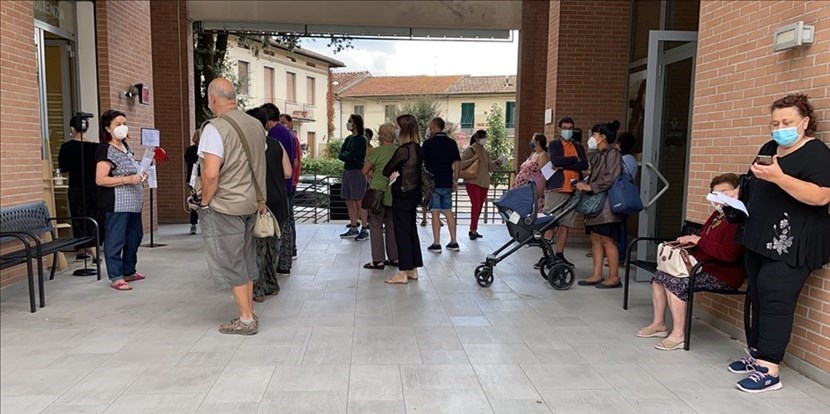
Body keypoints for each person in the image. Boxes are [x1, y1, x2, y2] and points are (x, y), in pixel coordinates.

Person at [729, 94, 830, 393]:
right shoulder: (770, 148)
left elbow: (822, 196)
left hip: (792, 244)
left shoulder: (818, 154)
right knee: (758, 297)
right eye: (775, 123)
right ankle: (757, 355)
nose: (779, 128)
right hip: (759, 238)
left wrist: (779, 177)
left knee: (776, 302)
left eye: (787, 122)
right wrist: (737, 194)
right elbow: (752, 179)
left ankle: (769, 370)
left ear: (805, 122)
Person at [636, 173, 746, 351]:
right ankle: (659, 324)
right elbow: (703, 240)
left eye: (725, 192)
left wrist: (698, 241)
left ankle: (679, 335)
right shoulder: (718, 215)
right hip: (704, 266)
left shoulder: (738, 220)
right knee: (659, 276)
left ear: (737, 192)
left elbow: (729, 254)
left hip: (723, 273)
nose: (719, 197)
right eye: (715, 193)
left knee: (675, 282)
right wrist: (689, 242)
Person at [196, 78, 267, 335]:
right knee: (246, 259)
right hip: (251, 203)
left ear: (212, 98)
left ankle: (246, 319)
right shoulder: (256, 125)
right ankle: (249, 311)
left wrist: (204, 201)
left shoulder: (215, 128)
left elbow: (211, 173)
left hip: (225, 204)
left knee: (232, 261)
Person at [95, 110, 147, 291]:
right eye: (117, 124)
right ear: (108, 128)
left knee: (134, 237)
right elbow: (101, 179)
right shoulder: (105, 149)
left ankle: (129, 270)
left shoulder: (126, 147)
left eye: (124, 123)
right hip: (117, 203)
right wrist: (128, 180)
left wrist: (139, 175)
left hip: (134, 202)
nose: (122, 127)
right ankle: (116, 275)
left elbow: (131, 170)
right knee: (116, 239)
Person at [247, 107, 292, 302]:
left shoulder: (248, 147)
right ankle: (272, 285)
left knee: (257, 247)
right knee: (273, 246)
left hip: (258, 202)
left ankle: (258, 289)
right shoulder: (277, 144)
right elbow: (288, 172)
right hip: (279, 201)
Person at [575, 120, 624, 289]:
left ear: (602, 137)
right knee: (595, 238)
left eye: (594, 135)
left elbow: (611, 178)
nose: (592, 138)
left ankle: (614, 276)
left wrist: (590, 187)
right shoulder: (598, 155)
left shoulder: (613, 154)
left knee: (607, 240)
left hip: (607, 205)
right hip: (596, 205)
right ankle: (596, 274)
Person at [382, 114, 424, 284]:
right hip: (414, 194)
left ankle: (402, 272)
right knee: (411, 230)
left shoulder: (403, 150)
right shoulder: (418, 148)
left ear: (404, 129)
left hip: (402, 194)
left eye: (398, 127)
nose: (396, 130)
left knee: (402, 232)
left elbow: (387, 169)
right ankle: (413, 268)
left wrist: (394, 173)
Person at [544, 117, 589, 266]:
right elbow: (556, 161)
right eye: (565, 127)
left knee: (566, 224)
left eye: (570, 128)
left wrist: (567, 163)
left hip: (573, 191)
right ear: (559, 129)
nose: (567, 130)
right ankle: (546, 255)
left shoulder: (579, 146)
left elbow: (584, 164)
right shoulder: (554, 144)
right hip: (557, 188)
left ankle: (559, 254)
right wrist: (573, 160)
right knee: (550, 223)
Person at [59, 113, 101, 261]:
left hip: (76, 187)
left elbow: (63, 168)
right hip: (94, 188)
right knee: (93, 217)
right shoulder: (95, 147)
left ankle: (82, 250)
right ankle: (95, 250)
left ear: (72, 128)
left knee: (79, 218)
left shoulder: (66, 147)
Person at [261, 103, 295, 274]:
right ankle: (285, 262)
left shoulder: (273, 135)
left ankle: (276, 266)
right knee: (286, 224)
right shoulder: (287, 132)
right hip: (285, 186)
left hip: (275, 185)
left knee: (274, 229)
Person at [362, 122, 399, 269]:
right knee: (391, 225)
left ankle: (378, 260)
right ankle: (395, 257)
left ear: (381, 135)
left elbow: (364, 171)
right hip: (393, 191)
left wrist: (375, 174)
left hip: (377, 191)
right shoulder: (398, 151)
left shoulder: (376, 152)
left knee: (376, 225)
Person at [422, 117, 461, 253]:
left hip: (433, 183)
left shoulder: (428, 144)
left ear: (433, 127)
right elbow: (457, 163)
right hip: (447, 182)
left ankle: (437, 243)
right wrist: (455, 180)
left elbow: (421, 163)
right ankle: (453, 241)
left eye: (429, 126)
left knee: (435, 213)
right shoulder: (451, 143)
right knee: (449, 212)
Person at [461, 129, 502, 240]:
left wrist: (497, 163)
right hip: (472, 181)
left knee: (479, 207)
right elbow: (460, 164)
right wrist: (472, 159)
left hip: (484, 182)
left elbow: (489, 168)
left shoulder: (486, 152)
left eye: (485, 137)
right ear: (476, 138)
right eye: (482, 137)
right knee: (476, 205)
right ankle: (472, 229)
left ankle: (474, 229)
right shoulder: (470, 150)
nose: (484, 139)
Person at [340, 114, 370, 241]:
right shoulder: (348, 139)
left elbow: (351, 155)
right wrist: (347, 155)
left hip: (357, 172)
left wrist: (347, 155)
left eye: (350, 121)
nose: (348, 123)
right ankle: (353, 226)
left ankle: (364, 228)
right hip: (347, 171)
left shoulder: (362, 139)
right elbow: (341, 154)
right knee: (348, 200)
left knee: (359, 201)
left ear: (356, 123)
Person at [280, 113, 301, 259]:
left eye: (283, 122)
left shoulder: (292, 138)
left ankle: (291, 249)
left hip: (290, 182)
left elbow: (295, 162)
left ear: (290, 123)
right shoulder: (291, 137)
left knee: (289, 216)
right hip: (291, 181)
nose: (281, 125)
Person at [616, 131, 638, 260]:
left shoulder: (625, 159)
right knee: (620, 226)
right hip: (625, 195)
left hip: (621, 196)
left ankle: (620, 256)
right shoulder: (631, 159)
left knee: (620, 227)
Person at [514, 133, 549, 213]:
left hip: (533, 191)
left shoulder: (543, 155)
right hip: (523, 192)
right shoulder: (533, 154)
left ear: (537, 142)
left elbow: (544, 174)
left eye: (533, 140)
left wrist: (539, 191)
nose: (531, 142)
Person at [184, 130, 200, 235]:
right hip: (195, 178)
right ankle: (193, 224)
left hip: (205, 177)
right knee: (194, 201)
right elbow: (190, 162)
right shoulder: (190, 150)